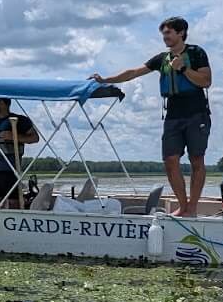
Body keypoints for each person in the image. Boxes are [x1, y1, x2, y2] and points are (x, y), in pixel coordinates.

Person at [90, 16, 212, 216]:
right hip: (173, 115)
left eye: (168, 33)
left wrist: (183, 68)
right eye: (163, 34)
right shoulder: (161, 59)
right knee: (170, 160)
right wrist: (104, 80)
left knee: (196, 159)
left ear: (181, 32)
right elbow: (133, 73)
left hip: (196, 113)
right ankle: (183, 206)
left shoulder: (196, 53)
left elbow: (206, 81)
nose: (165, 37)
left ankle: (192, 208)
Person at [0, 97, 39, 208]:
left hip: (10, 170)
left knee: (13, 202)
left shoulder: (20, 120)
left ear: (2, 103)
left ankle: (14, 217)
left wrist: (14, 136)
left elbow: (35, 138)